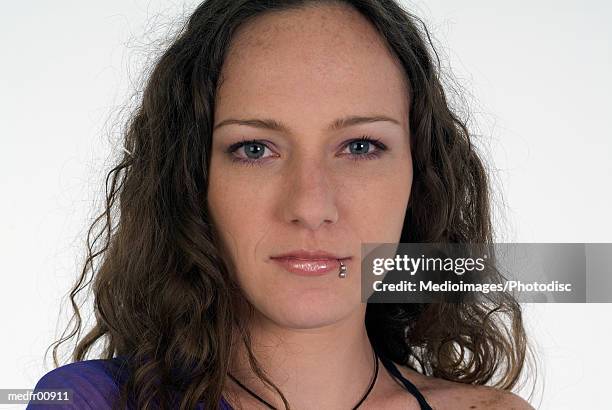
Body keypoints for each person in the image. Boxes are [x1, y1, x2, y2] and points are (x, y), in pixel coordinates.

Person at [28, 0, 535, 409]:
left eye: (360, 146)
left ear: (419, 177)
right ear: (190, 181)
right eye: (255, 149)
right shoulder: (90, 403)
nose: (311, 206)